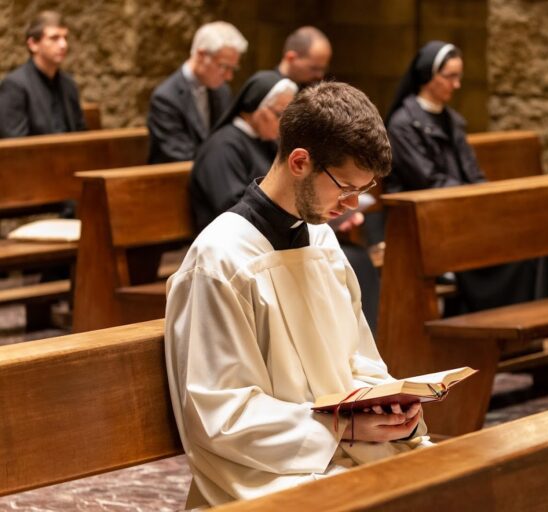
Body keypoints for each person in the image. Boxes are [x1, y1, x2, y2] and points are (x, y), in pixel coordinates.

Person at [165, 82, 428, 508]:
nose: (352, 204)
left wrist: (390, 409)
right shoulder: (220, 259)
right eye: (344, 187)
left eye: (362, 190)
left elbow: (359, 360)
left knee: (458, 480)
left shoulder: (322, 242)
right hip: (266, 473)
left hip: (345, 449)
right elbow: (220, 417)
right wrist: (342, 428)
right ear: (300, 161)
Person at [385, 41, 548, 312]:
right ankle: (506, 327)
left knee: (539, 235)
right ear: (428, 76)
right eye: (450, 77)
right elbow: (428, 181)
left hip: (463, 209)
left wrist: (493, 202)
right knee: (517, 251)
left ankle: (542, 325)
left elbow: (473, 173)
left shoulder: (453, 120)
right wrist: (475, 202)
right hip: (430, 220)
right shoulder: (403, 124)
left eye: (459, 76)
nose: (457, 84)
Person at [189, 70, 297, 232]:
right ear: (256, 107)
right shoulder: (221, 147)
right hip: (230, 241)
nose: (284, 124)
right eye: (279, 114)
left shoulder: (266, 142)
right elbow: (233, 209)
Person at [147, 21, 247, 163]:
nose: (229, 76)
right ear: (201, 55)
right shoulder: (165, 98)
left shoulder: (222, 91)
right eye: (224, 67)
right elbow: (178, 154)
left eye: (233, 69)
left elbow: (226, 138)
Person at [0, 11, 86, 138]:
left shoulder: (69, 84)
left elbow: (82, 134)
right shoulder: (14, 86)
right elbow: (15, 145)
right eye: (54, 38)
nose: (63, 45)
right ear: (33, 44)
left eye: (65, 38)